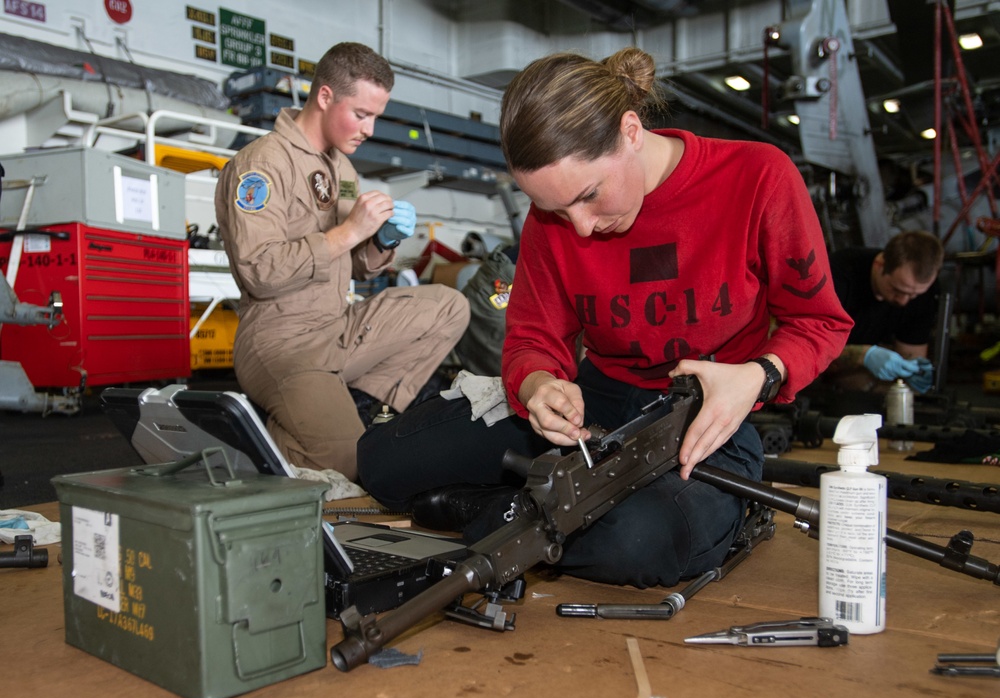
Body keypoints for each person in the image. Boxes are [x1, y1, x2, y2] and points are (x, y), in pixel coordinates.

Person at [357, 47, 852, 588]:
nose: (583, 228)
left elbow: (820, 322)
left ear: (632, 132)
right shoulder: (557, 217)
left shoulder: (758, 178)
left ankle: (493, 514)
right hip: (594, 407)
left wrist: (760, 376)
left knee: (637, 542)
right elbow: (532, 337)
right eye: (557, 211)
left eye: (589, 195)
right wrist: (541, 383)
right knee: (385, 461)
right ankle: (520, 514)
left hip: (704, 421)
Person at [214, 42, 469, 481]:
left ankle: (359, 410)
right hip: (280, 342)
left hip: (337, 326)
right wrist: (350, 231)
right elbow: (260, 272)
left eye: (376, 116)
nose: (369, 129)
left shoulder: (342, 169)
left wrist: (381, 241)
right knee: (359, 466)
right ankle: (283, 439)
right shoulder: (261, 164)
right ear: (326, 96)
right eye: (362, 114)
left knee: (450, 306)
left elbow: (354, 266)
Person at [823, 230, 943, 393]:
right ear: (880, 264)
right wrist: (864, 355)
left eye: (913, 295)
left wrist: (914, 371)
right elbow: (807, 349)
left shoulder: (924, 294)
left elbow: (911, 354)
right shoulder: (836, 275)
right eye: (896, 289)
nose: (903, 301)